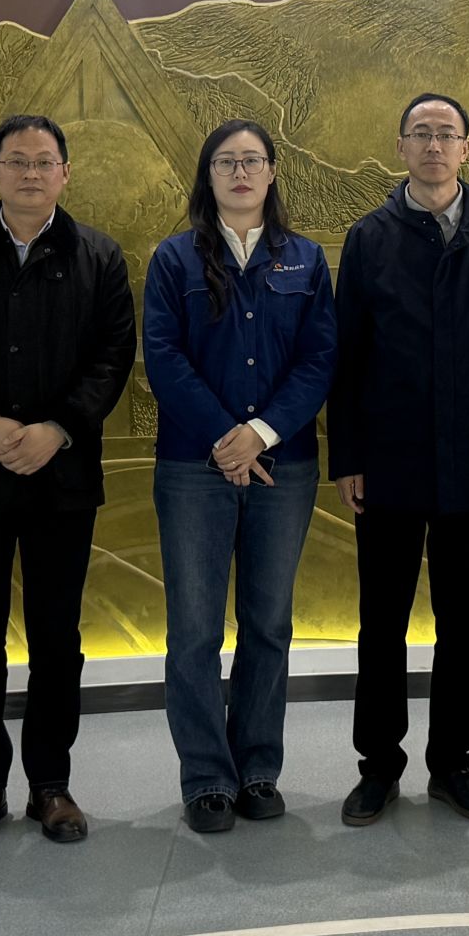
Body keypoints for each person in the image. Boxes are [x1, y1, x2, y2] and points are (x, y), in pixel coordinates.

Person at [0, 115, 137, 847]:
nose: (31, 173)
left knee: (56, 637)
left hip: (60, 476)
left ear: (65, 173)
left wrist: (58, 427)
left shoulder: (99, 256)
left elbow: (113, 356)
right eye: (17, 161)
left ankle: (51, 784)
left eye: (44, 162)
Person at [327, 93, 469, 826]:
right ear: (400, 147)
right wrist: (348, 456)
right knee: (380, 622)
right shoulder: (369, 236)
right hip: (388, 459)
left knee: (461, 623)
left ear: (466, 149)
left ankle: (452, 765)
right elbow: (347, 356)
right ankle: (378, 767)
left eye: (446, 134)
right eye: (420, 133)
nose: (433, 145)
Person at [144, 119, 337, 833]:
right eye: (226, 162)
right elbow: (163, 357)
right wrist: (226, 437)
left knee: (268, 623)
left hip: (283, 465)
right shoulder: (174, 259)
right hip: (193, 466)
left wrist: (260, 432)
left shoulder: (304, 260)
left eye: (252, 160)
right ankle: (206, 778)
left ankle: (257, 769)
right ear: (209, 175)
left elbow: (319, 358)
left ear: (272, 172)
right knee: (194, 629)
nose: (240, 172)